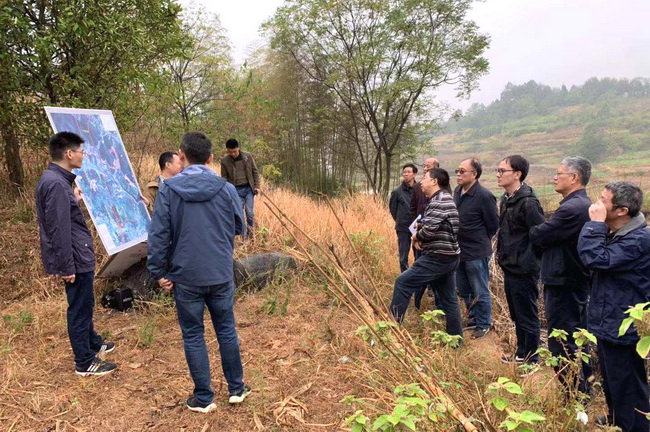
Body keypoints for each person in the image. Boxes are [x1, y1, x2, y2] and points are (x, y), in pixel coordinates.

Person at [148, 132, 251, 413]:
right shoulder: (226, 188)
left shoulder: (168, 190)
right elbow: (239, 226)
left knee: (193, 334)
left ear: (182, 155)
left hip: (185, 275)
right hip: (220, 272)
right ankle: (237, 388)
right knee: (226, 329)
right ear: (211, 158)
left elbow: (159, 235)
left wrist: (158, 271)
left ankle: (204, 397)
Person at [35, 132, 117, 376]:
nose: (83, 156)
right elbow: (58, 229)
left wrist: (73, 201)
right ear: (69, 154)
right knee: (79, 308)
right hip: (74, 258)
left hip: (77, 254)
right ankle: (85, 361)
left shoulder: (57, 182)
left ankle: (92, 342)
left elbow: (61, 217)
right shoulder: (56, 184)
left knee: (85, 302)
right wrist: (66, 266)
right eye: (81, 152)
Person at [578, 182, 650, 432]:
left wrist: (595, 225)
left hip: (623, 324)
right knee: (613, 378)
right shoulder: (618, 233)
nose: (597, 204)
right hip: (609, 319)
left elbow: (595, 259)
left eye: (603, 200)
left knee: (628, 381)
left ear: (621, 211)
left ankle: (635, 427)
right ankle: (617, 419)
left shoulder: (638, 239)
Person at [530, 156, 593, 393]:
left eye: (559, 173)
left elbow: (540, 234)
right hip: (570, 279)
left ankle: (575, 394)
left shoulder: (572, 208)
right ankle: (583, 389)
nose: (554, 178)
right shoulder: (579, 204)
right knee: (577, 337)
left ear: (574, 177)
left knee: (562, 341)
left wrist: (538, 231)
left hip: (564, 281)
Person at [389, 169, 462, 338]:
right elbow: (431, 225)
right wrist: (420, 231)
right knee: (449, 299)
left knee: (402, 282)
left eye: (425, 178)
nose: (421, 182)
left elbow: (428, 231)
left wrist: (416, 236)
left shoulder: (440, 200)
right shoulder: (439, 199)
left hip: (438, 257)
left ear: (435, 181)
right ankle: (455, 339)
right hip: (448, 256)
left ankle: (390, 333)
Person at [496, 155, 545, 363]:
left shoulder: (528, 202)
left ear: (517, 174)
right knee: (517, 313)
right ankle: (521, 352)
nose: (498, 175)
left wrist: (528, 258)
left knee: (527, 314)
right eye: (498, 170)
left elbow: (540, 236)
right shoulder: (506, 199)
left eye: (502, 171)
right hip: (510, 265)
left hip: (524, 267)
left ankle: (532, 358)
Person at [453, 158, 499, 339]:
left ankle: (483, 323)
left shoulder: (484, 195)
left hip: (477, 251)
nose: (458, 174)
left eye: (462, 171)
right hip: (460, 250)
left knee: (480, 289)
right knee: (463, 288)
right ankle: (473, 317)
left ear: (474, 174)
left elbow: (493, 225)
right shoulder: (458, 191)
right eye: (457, 171)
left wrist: (479, 238)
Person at [219, 138, 261, 238]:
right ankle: (244, 237)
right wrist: (225, 190)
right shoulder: (225, 161)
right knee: (240, 215)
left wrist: (257, 186)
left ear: (238, 148)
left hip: (248, 189)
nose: (233, 154)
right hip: (235, 191)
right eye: (230, 152)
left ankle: (251, 234)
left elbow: (255, 171)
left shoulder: (247, 156)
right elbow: (224, 177)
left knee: (250, 213)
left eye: (235, 151)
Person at [389, 163, 417, 272]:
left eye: (408, 172)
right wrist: (400, 220)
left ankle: (417, 276)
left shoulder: (419, 189)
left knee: (418, 253)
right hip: (403, 227)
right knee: (403, 255)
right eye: (404, 172)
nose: (406, 174)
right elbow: (393, 209)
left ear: (414, 174)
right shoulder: (397, 192)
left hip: (417, 226)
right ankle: (404, 276)